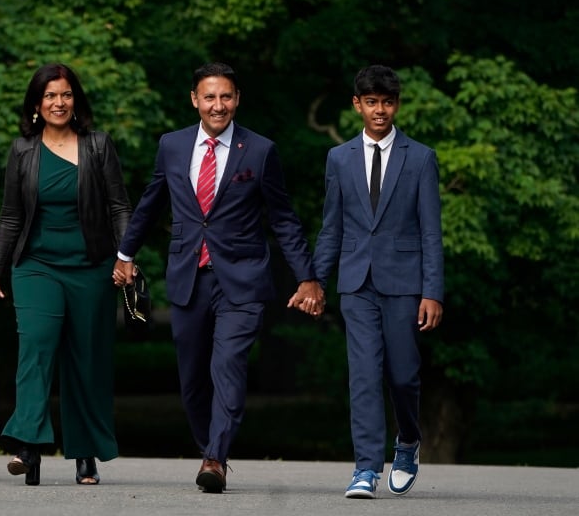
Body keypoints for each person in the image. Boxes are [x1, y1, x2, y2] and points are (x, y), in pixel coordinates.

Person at [113, 62, 323, 493]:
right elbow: (152, 202)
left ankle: (216, 457)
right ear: (195, 100)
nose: (218, 105)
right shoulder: (172, 146)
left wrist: (307, 277)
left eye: (226, 96)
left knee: (228, 365)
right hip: (189, 276)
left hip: (242, 279)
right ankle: (209, 446)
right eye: (209, 97)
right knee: (192, 379)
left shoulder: (260, 150)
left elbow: (283, 218)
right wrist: (125, 254)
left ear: (237, 99)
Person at [0, 63, 131, 486]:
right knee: (37, 347)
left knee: (86, 360)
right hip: (36, 266)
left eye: (65, 95)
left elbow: (119, 206)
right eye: (49, 96)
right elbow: (10, 216)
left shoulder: (98, 145)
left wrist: (126, 256)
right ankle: (28, 447)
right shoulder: (23, 150)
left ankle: (84, 455)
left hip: (92, 267)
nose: (58, 103)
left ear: (75, 99)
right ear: (36, 105)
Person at [299, 64, 444, 498]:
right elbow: (331, 228)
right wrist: (315, 280)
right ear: (357, 105)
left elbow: (431, 231)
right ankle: (365, 468)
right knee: (363, 375)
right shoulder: (338, 158)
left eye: (387, 102)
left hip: (404, 283)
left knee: (403, 375)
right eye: (371, 102)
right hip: (356, 283)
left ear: (396, 105)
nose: (379, 110)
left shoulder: (420, 157)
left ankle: (408, 441)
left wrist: (432, 291)